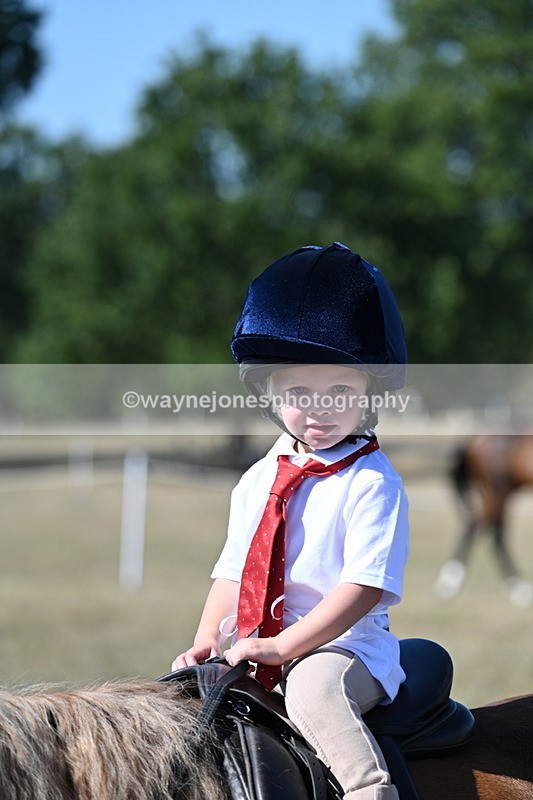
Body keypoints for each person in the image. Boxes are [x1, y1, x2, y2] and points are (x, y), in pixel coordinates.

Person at [172, 242, 409, 800]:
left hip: (344, 647)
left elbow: (364, 587)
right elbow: (234, 571)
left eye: (340, 391)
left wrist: (286, 649)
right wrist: (209, 637)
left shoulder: (372, 483)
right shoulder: (259, 479)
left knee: (314, 692)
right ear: (270, 392)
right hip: (257, 640)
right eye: (299, 391)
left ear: (369, 395)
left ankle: (369, 790)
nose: (319, 407)